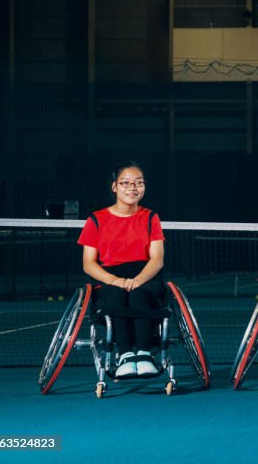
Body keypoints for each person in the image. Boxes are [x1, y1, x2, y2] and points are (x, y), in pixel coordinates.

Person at [78, 162, 165, 379]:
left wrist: (138, 280)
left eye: (139, 183)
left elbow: (157, 260)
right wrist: (114, 280)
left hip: (144, 276)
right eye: (125, 183)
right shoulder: (95, 220)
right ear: (114, 187)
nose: (133, 188)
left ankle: (144, 354)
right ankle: (125, 354)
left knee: (139, 293)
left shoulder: (151, 218)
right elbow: (89, 263)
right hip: (109, 279)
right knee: (116, 294)